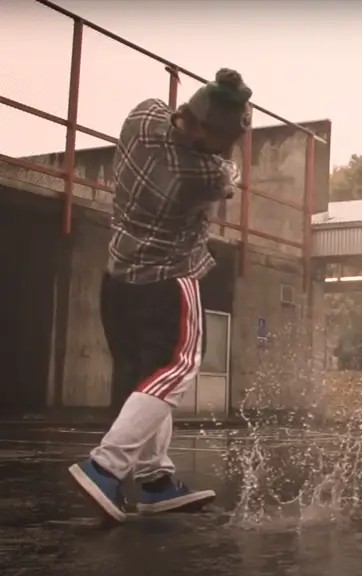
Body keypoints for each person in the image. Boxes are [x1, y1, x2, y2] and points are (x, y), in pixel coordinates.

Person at [69, 69, 252, 523]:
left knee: (145, 377)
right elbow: (231, 177)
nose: (228, 148)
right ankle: (105, 467)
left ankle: (154, 480)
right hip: (168, 279)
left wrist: (221, 93)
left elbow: (182, 122)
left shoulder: (143, 116)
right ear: (212, 134)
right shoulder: (204, 174)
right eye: (227, 137)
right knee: (177, 367)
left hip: (118, 279)